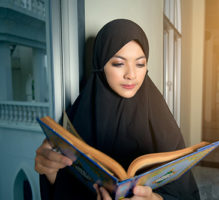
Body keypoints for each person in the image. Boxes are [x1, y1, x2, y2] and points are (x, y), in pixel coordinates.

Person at [35, 19, 200, 200]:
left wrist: (155, 199)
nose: (131, 74)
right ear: (101, 64)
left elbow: (185, 192)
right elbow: (64, 189)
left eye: (140, 64)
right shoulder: (78, 116)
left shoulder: (159, 114)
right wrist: (50, 173)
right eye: (118, 63)